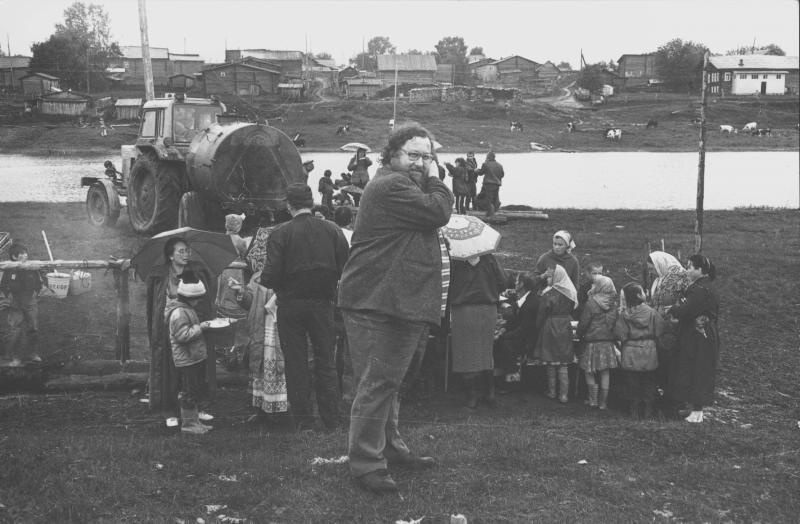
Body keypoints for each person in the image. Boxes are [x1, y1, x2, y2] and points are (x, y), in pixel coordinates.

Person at [338, 123, 453, 493]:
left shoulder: (401, 184)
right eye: (413, 154)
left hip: (394, 300)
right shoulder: (391, 185)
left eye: (426, 155)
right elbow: (439, 212)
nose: (421, 162)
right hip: (377, 302)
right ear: (392, 154)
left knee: (389, 383)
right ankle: (366, 464)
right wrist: (437, 179)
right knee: (377, 383)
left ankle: (389, 446)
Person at [260, 183, 350, 432]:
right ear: (311, 203)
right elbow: (346, 266)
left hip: (290, 304)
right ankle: (331, 419)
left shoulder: (280, 233)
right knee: (326, 361)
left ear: (289, 206)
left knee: (296, 362)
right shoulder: (332, 230)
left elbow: (270, 275)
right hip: (323, 303)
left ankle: (304, 421)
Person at [145, 238, 214, 425]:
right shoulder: (161, 274)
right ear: (170, 255)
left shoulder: (196, 270)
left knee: (194, 368)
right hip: (168, 324)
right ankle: (170, 410)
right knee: (169, 367)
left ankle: (196, 407)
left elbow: (205, 296)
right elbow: (153, 303)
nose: (186, 254)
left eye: (187, 251)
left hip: (192, 321)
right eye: (181, 251)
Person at [449, 254, 507, 409]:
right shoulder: (489, 259)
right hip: (487, 309)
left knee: (465, 353)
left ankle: (472, 395)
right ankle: (490, 392)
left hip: (462, 310)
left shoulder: (455, 261)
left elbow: (446, 285)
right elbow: (503, 283)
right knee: (485, 351)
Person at [667, 255, 720, 424]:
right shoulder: (706, 286)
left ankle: (697, 412)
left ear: (699, 270)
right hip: (704, 333)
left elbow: (687, 310)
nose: (687, 270)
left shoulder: (698, 289)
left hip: (699, 336)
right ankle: (694, 408)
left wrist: (673, 308)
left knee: (698, 369)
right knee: (696, 369)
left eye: (690, 267)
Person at [231, 270, 289, 420]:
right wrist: (241, 292)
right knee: (261, 366)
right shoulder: (258, 277)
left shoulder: (289, 272)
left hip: (282, 328)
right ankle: (263, 408)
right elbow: (250, 302)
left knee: (282, 366)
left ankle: (283, 409)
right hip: (262, 329)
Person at [165, 271, 215, 434]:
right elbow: (182, 335)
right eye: (197, 298)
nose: (199, 301)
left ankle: (195, 422)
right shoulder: (179, 312)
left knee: (194, 390)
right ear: (189, 297)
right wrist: (201, 327)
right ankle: (188, 425)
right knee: (188, 392)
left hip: (193, 358)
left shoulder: (186, 309)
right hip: (186, 360)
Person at [615, 283, 664, 419]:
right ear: (638, 295)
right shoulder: (652, 313)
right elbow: (659, 330)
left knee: (632, 382)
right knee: (649, 381)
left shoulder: (625, 315)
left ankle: (634, 410)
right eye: (642, 291)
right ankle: (648, 409)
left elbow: (620, 334)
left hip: (631, 351)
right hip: (649, 350)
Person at [646, 251, 690, 401]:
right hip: (660, 325)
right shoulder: (661, 278)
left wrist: (675, 311)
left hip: (673, 325)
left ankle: (673, 395)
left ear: (659, 264)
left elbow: (688, 299)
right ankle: (664, 391)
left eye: (652, 268)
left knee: (671, 359)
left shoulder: (681, 276)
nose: (651, 272)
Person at [533, 264, 578, 403]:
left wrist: (538, 327)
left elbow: (542, 313)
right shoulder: (570, 293)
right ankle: (564, 395)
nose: (547, 279)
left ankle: (552, 391)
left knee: (551, 360)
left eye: (550, 277)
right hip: (565, 325)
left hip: (551, 325)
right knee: (563, 361)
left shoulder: (549, 294)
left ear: (557, 277)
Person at [576, 275, 619, 409]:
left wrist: (579, 333)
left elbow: (583, 324)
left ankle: (593, 399)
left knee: (589, 371)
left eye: (594, 284)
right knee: (605, 372)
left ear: (599, 287)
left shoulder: (591, 303)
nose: (592, 287)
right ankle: (603, 402)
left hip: (592, 342)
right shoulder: (614, 304)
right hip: (607, 342)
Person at [214, 214, 250, 369]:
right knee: (236, 295)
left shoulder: (221, 240)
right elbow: (244, 255)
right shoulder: (241, 241)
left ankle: (224, 347)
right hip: (236, 272)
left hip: (223, 272)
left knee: (222, 296)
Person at [496, 272, 542, 391]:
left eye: (517, 282)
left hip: (529, 339)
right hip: (522, 334)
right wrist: (503, 329)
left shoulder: (531, 303)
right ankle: (502, 374)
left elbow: (524, 329)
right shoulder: (524, 298)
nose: (515, 284)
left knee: (506, 345)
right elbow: (515, 321)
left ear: (521, 284)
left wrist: (504, 335)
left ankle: (511, 380)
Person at [0, 242, 42, 366]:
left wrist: (36, 293)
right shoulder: (9, 269)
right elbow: (3, 285)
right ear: (14, 257)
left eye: (25, 253)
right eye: (22, 254)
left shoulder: (31, 268)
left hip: (30, 302)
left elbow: (38, 283)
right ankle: (14, 357)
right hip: (15, 303)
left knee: (33, 328)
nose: (25, 256)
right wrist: (8, 297)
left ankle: (32, 353)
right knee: (14, 330)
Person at [476, 151, 504, 216]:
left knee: (488, 199)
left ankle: (489, 215)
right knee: (495, 198)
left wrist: (476, 171)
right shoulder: (499, 165)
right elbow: (502, 175)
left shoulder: (486, 164)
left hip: (488, 184)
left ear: (488, 157)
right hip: (497, 184)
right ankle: (494, 212)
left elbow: (481, 173)